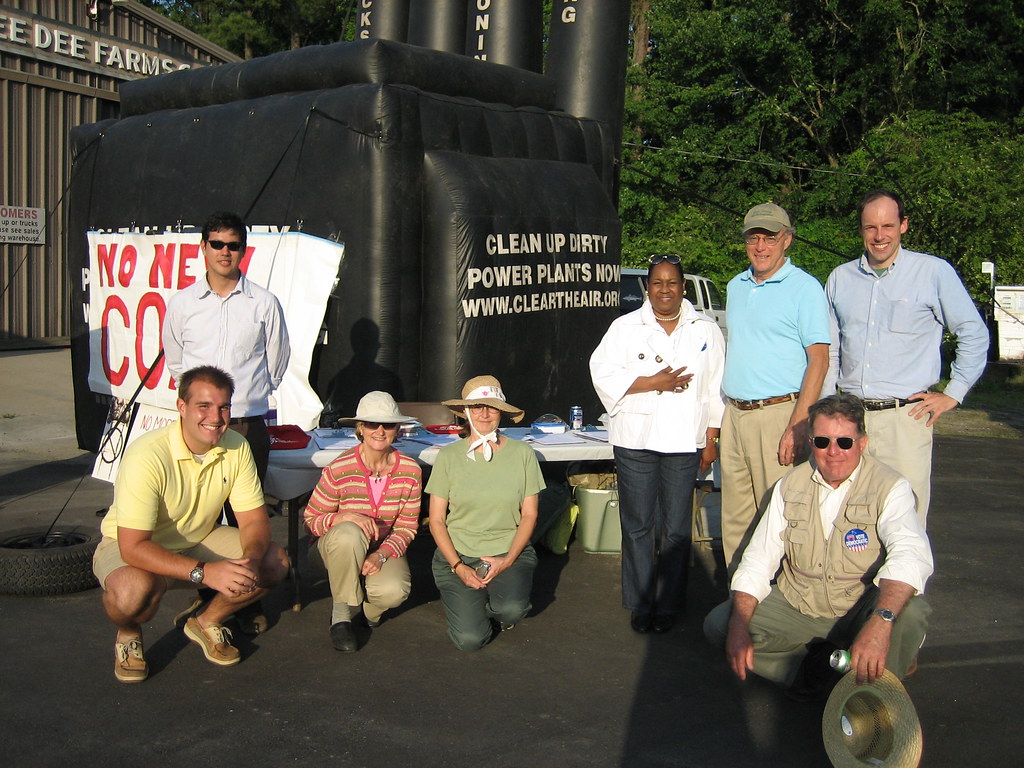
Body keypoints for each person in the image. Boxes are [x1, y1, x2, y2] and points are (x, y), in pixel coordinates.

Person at [704, 393, 933, 694]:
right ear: (811, 442)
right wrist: (739, 625)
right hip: (799, 605)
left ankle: (871, 692)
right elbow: (759, 558)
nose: (834, 451)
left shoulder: (891, 487)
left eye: (845, 442)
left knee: (912, 612)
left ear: (862, 443)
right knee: (721, 624)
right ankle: (817, 674)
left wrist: (880, 622)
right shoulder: (789, 486)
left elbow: (910, 555)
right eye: (823, 441)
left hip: (858, 607)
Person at [92, 366, 290, 683]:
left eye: (223, 406)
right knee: (133, 593)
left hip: (198, 538)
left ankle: (206, 620)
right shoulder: (148, 454)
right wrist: (207, 572)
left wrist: (249, 562)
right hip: (134, 548)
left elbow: (254, 520)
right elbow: (133, 546)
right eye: (204, 406)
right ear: (181, 407)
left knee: (273, 561)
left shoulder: (237, 446)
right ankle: (128, 632)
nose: (216, 416)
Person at [825, 189, 989, 523]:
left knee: (905, 521)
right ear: (860, 230)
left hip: (906, 420)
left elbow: (973, 332)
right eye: (870, 227)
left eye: (888, 225)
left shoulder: (933, 272)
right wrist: (829, 409)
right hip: (850, 418)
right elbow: (831, 350)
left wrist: (953, 393)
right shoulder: (840, 279)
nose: (879, 235)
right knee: (847, 518)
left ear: (904, 225)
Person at [163, 210, 291, 634]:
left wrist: (247, 399)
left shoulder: (264, 303)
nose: (224, 252)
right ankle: (208, 598)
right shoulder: (181, 304)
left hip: (245, 425)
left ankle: (239, 601)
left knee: (244, 522)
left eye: (233, 245)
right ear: (203, 248)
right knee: (199, 518)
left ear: (243, 250)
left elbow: (277, 360)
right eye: (216, 243)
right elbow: (176, 360)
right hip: (196, 427)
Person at [590, 254, 726, 633]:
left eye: (672, 283)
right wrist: (653, 382)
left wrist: (712, 438)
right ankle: (641, 601)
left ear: (683, 287)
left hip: (686, 439)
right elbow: (601, 374)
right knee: (637, 524)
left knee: (676, 528)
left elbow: (715, 389)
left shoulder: (705, 330)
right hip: (636, 438)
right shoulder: (624, 328)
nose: (664, 290)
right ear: (646, 288)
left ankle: (668, 603)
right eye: (657, 283)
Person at [720, 202, 831, 575]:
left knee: (780, 517)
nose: (761, 246)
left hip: (779, 414)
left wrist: (799, 424)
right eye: (754, 237)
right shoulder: (736, 285)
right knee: (736, 518)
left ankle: (782, 606)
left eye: (770, 237)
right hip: (734, 414)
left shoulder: (805, 288)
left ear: (787, 240)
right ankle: (739, 604)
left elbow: (819, 360)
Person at [426, 375, 545, 651]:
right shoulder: (449, 457)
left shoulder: (522, 453)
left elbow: (529, 515)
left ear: (500, 411)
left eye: (491, 406)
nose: (484, 413)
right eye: (477, 406)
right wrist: (458, 566)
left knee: (512, 610)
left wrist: (506, 561)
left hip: (508, 550)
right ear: (466, 412)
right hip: (458, 554)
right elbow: (436, 520)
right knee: (470, 640)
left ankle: (493, 604)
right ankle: (468, 605)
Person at [303, 392, 422, 653]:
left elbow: (406, 528)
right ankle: (341, 614)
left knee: (394, 590)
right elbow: (311, 520)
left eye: (388, 424)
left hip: (379, 547)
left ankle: (371, 612)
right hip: (334, 549)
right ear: (360, 428)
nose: (379, 431)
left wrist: (381, 555)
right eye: (371, 423)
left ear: (397, 429)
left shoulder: (411, 471)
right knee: (349, 533)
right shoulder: (339, 467)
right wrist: (343, 517)